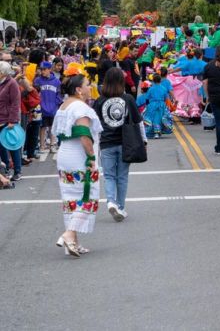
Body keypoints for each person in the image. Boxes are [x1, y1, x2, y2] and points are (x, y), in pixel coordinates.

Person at [53, 72, 102, 257]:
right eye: (88, 84)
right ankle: (68, 234)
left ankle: (72, 243)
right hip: (79, 156)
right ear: (79, 90)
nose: (90, 87)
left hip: (65, 154)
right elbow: (83, 133)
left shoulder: (64, 106)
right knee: (88, 195)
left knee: (70, 198)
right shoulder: (81, 107)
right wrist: (91, 157)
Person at [94, 68, 147, 222]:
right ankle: (121, 207)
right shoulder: (128, 99)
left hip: (106, 143)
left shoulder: (100, 100)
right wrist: (144, 140)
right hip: (126, 143)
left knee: (109, 175)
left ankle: (111, 201)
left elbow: (94, 124)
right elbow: (138, 122)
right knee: (122, 177)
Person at [0, 61, 22, 181]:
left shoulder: (12, 83)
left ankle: (17, 171)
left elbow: (15, 103)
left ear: (3, 73)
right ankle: (6, 170)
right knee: (1, 147)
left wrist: (12, 121)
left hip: (8, 120)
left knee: (13, 146)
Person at [34, 61, 62, 154]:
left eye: (44, 70)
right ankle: (42, 146)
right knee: (42, 127)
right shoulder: (38, 80)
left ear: (50, 69)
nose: (42, 72)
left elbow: (59, 94)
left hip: (53, 108)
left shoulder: (56, 81)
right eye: (41, 70)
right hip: (42, 107)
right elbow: (35, 94)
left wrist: (56, 104)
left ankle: (52, 145)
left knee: (52, 128)